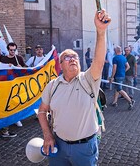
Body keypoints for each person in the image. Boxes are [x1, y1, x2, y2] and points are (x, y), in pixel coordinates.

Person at [37, 10, 110, 165]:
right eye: (67, 57)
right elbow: (42, 111)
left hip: (84, 148)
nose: (72, 59)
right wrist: (47, 135)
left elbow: (99, 61)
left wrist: (101, 32)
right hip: (58, 146)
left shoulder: (88, 79)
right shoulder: (52, 85)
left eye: (75, 56)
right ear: (60, 65)